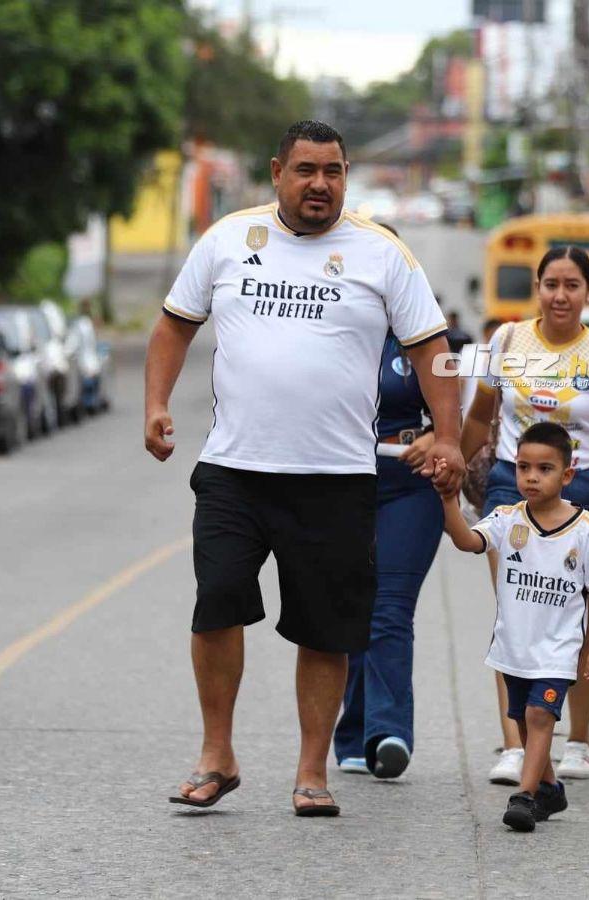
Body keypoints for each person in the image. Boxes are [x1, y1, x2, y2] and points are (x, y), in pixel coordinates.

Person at [145, 120, 465, 816]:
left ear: (346, 176)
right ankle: (216, 754)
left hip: (337, 476)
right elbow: (175, 324)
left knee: (326, 626)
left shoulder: (382, 254)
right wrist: (156, 404)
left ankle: (312, 772)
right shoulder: (228, 239)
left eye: (333, 171)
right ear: (277, 172)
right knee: (216, 604)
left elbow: (432, 347)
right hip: (235, 467)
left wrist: (448, 436)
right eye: (306, 170)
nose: (320, 184)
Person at [461, 246, 589, 784]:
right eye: (551, 284)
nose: (561, 295)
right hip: (512, 485)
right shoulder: (508, 341)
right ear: (537, 287)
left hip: (580, 488)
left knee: (576, 616)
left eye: (572, 285)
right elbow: (479, 417)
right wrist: (449, 459)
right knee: (516, 614)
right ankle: (515, 743)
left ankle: (577, 740)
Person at [436, 422, 589, 832]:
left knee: (539, 716)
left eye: (545, 469)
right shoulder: (504, 518)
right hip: (513, 648)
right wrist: (448, 501)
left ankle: (525, 795)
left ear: (568, 474)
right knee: (522, 717)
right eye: (523, 467)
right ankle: (550, 787)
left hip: (558, 649)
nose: (532, 477)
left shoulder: (586, 529)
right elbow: (467, 541)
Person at [332, 331, 446, 779]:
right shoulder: (333, 330)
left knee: (390, 608)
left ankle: (388, 733)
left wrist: (437, 435)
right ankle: (355, 732)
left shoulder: (426, 341)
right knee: (353, 606)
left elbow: (463, 407)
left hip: (410, 483)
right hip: (342, 477)